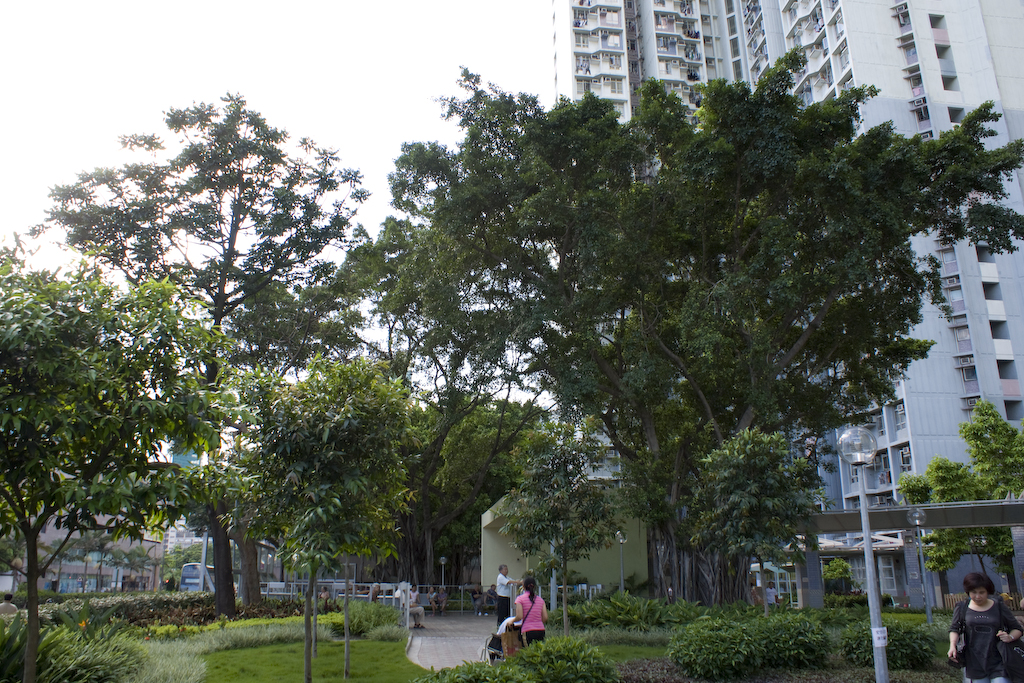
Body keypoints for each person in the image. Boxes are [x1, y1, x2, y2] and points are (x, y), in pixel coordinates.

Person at [949, 572, 1022, 682]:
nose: (978, 596)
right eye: (974, 592)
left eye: (982, 592)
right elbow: (955, 629)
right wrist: (952, 645)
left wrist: (1010, 637)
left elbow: (1017, 629)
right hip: (974, 661)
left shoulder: (998, 606)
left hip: (999, 659)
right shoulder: (962, 607)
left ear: (988, 591)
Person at [514, 576, 548, 645]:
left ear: (523, 586)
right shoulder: (541, 600)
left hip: (527, 631)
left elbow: (519, 616)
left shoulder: (520, 599)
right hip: (541, 630)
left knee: (528, 651)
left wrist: (511, 621)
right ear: (534, 586)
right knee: (538, 650)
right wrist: (537, 623)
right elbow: (545, 618)